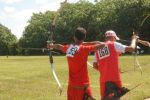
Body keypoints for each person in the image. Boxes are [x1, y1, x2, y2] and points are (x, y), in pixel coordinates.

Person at [47, 27, 105, 100]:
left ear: (74, 37)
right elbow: (100, 45)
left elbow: (59, 46)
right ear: (84, 37)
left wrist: (51, 45)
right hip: (83, 87)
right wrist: (106, 43)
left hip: (71, 87)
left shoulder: (69, 48)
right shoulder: (84, 49)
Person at [93, 30, 138, 100]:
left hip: (103, 80)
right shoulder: (113, 44)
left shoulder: (98, 48)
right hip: (114, 79)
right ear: (113, 37)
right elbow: (132, 48)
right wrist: (134, 39)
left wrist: (105, 70)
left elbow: (95, 65)